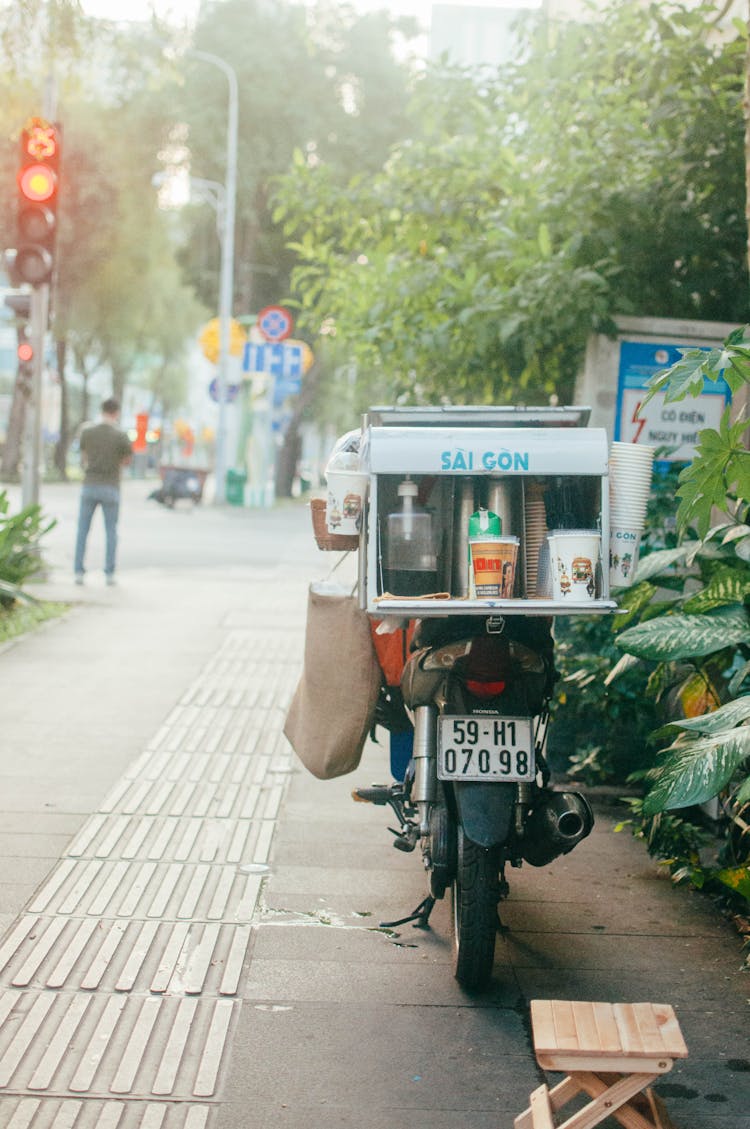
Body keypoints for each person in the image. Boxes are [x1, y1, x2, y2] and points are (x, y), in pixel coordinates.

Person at [74, 397, 132, 585]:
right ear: (116, 412)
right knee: (111, 531)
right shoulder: (121, 435)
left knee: (83, 530)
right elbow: (126, 461)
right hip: (111, 487)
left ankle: (78, 572)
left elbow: (83, 456)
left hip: (89, 485)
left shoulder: (87, 432)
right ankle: (109, 573)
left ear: (102, 410)